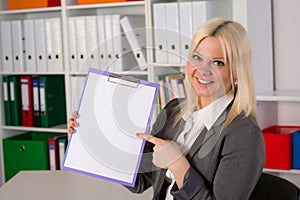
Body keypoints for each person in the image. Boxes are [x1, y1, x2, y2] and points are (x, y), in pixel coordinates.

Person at [68, 17, 266, 200]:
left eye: (218, 62)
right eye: (198, 57)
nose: (203, 70)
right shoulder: (174, 111)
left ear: (236, 72)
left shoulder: (244, 133)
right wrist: (92, 136)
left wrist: (178, 164)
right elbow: (140, 179)